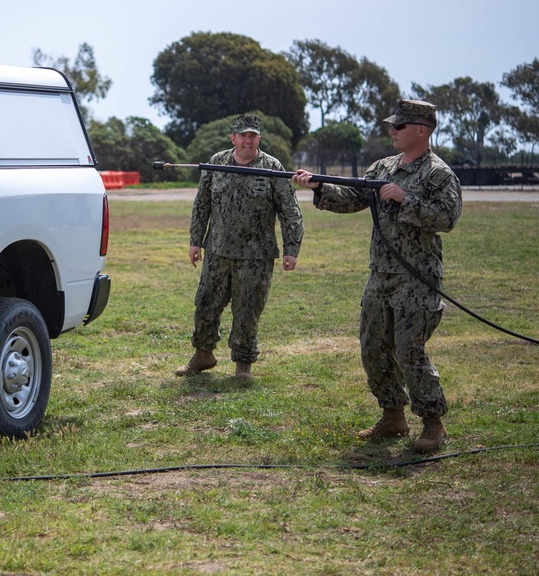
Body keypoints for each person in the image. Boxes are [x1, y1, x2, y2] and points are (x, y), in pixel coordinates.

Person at [292, 99, 462, 454]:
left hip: (416, 278)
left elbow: (447, 218)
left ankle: (433, 423)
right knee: (373, 348)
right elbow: (353, 199)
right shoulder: (382, 167)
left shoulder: (438, 174)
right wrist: (318, 188)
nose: (392, 131)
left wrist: (405, 198)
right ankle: (392, 415)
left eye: (399, 126)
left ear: (422, 129)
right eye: (392, 126)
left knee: (408, 350)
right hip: (380, 275)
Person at [176, 113, 304, 379]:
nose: (248, 140)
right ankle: (203, 355)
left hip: (256, 255)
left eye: (253, 135)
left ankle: (243, 365)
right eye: (243, 135)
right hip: (218, 250)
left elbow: (289, 210)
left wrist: (292, 248)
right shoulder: (216, 163)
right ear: (233, 138)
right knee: (205, 303)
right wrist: (195, 241)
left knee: (247, 309)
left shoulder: (271, 166)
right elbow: (202, 204)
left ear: (259, 138)